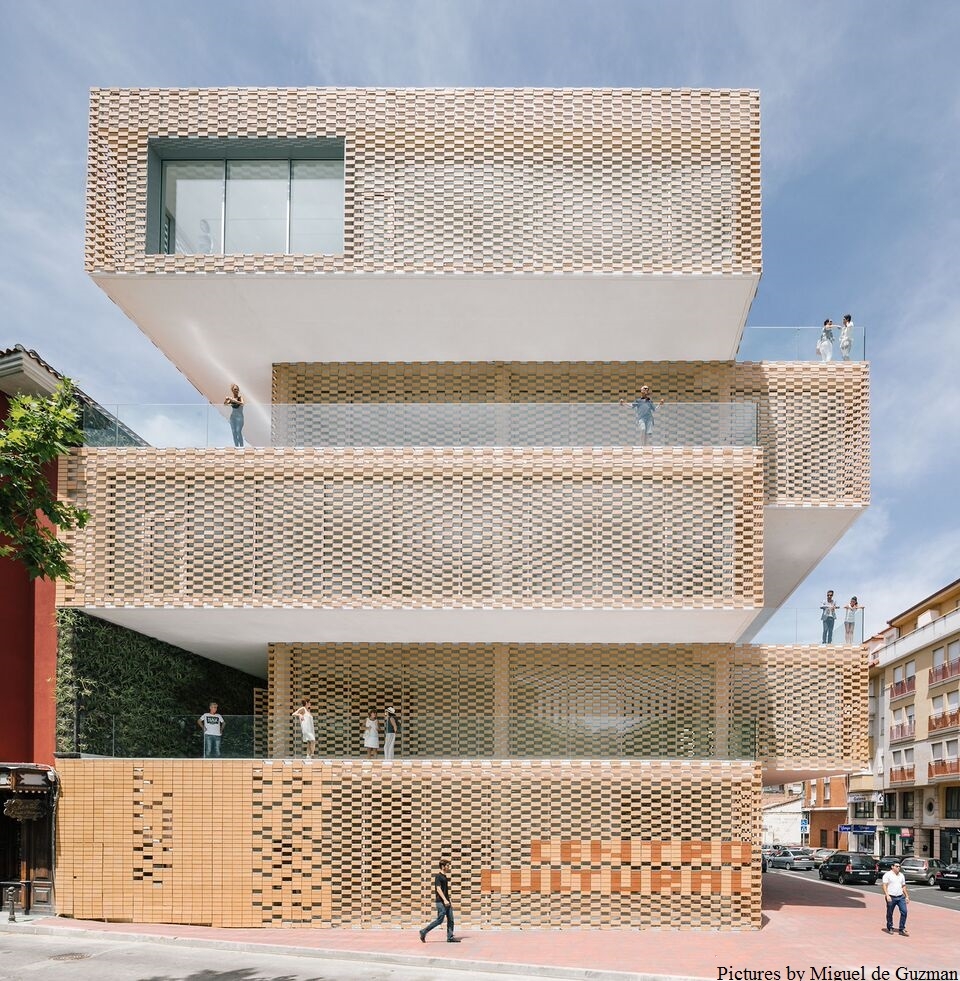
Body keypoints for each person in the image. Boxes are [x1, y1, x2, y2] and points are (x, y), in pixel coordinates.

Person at [418, 858, 460, 943]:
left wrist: (448, 900)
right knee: (440, 920)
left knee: (451, 919)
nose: (448, 867)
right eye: (447, 865)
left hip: (447, 901)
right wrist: (444, 900)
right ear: (443, 866)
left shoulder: (444, 876)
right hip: (441, 902)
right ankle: (423, 931)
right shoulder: (438, 876)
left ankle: (450, 937)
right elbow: (438, 889)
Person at [882, 860, 910, 935]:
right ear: (892, 867)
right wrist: (887, 895)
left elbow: (903, 886)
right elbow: (884, 885)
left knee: (904, 911)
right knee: (890, 913)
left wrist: (907, 896)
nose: (898, 868)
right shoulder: (887, 875)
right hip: (891, 897)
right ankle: (890, 927)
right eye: (896, 866)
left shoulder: (901, 875)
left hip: (900, 897)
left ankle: (902, 928)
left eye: (899, 866)